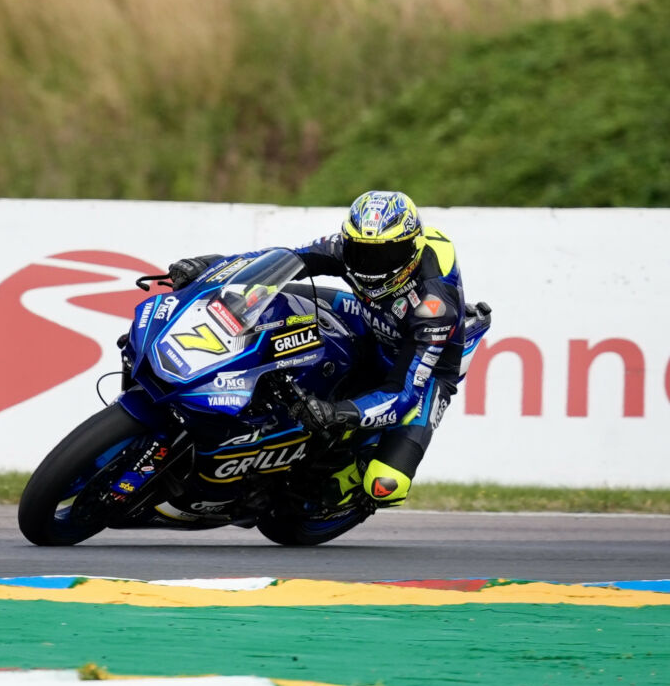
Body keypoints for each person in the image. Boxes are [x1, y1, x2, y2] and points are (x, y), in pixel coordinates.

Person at [167, 190, 468, 510]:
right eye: (360, 252)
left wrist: (338, 413)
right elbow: (284, 261)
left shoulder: (434, 309)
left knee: (386, 483)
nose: (369, 265)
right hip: (370, 320)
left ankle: (349, 478)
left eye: (384, 256)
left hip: (421, 363)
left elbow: (402, 393)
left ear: (412, 250)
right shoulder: (344, 248)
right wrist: (213, 266)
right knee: (272, 300)